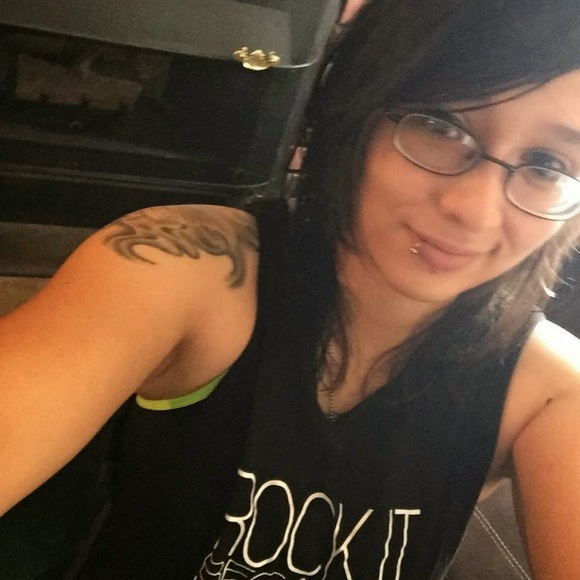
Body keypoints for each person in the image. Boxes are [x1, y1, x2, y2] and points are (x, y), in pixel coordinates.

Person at [1, 0, 580, 578]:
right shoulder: (186, 268)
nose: (473, 211)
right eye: (440, 126)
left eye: (547, 165)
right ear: (356, 108)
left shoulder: (549, 393)